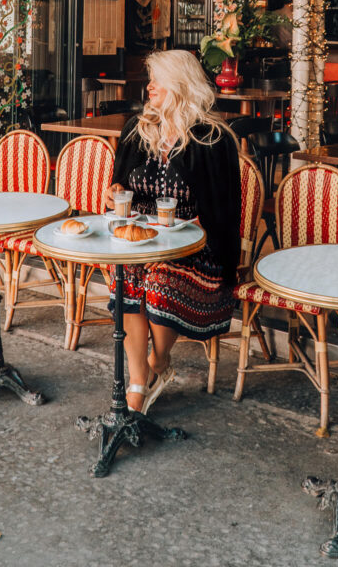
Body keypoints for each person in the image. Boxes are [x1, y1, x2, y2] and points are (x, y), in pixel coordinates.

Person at [104, 48, 241, 413]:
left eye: (157, 80)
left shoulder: (213, 138)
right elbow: (118, 185)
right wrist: (114, 192)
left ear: (179, 84)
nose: (149, 86)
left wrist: (199, 227)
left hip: (196, 249)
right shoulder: (138, 129)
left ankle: (158, 363)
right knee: (125, 276)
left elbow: (227, 210)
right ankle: (137, 381)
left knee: (159, 283)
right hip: (142, 243)